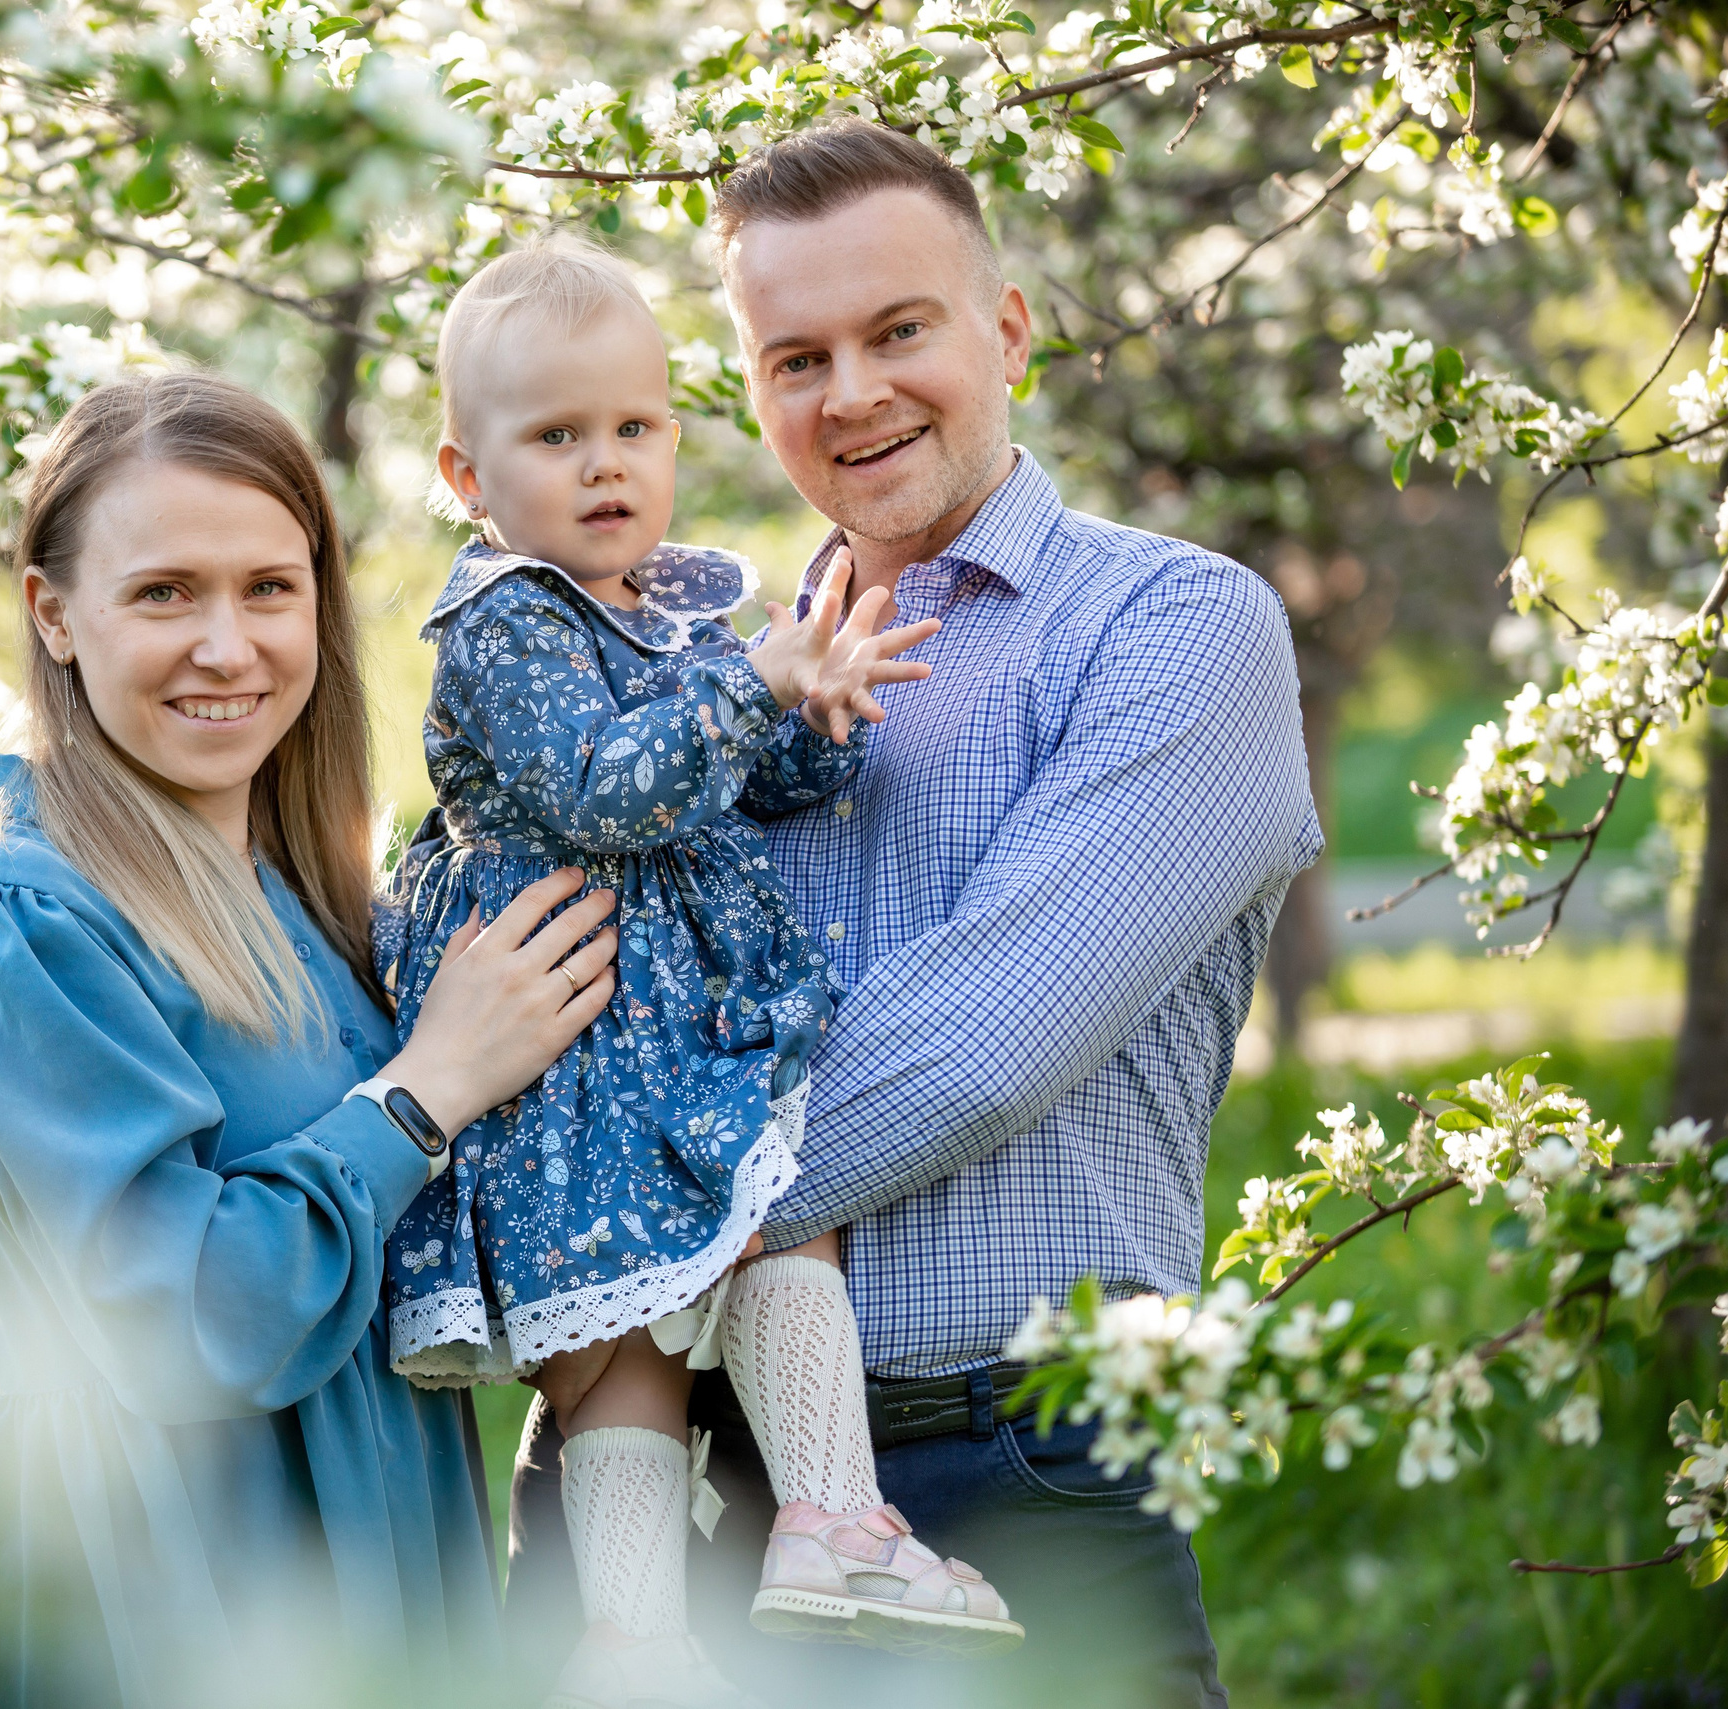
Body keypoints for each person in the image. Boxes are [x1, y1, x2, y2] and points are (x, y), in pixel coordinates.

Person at [500, 122, 1324, 1709]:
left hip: (1001, 1470)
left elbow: (982, 1046)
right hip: (662, 1481)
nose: (853, 394)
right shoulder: (690, 679)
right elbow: (518, 948)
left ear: (1005, 330)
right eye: (795, 355)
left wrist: (589, 1201)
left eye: (899, 332)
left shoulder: (1175, 630)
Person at [0, 370, 620, 1709]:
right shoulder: (22, 919)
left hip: (382, 1551)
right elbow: (185, 1314)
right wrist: (427, 1090)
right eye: (165, 591)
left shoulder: (313, 898)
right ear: (53, 613)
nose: (227, 646)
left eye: (268, 589)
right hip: (168, 1590)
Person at [379, 241, 1016, 1709]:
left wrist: (813, 712)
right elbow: (610, 791)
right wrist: (755, 681)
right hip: (596, 1038)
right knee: (634, 1343)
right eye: (557, 438)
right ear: (468, 477)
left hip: (664, 1019)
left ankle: (818, 1525)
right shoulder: (507, 624)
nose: (607, 467)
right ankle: (652, 1632)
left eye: (635, 428)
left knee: (755, 1246)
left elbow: (725, 778)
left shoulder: (658, 600)